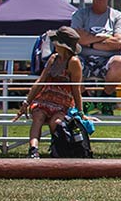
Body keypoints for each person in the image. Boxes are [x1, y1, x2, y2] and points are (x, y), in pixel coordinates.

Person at [19, 26, 88, 159]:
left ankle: (58, 149)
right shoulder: (53, 58)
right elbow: (41, 81)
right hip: (44, 99)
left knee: (55, 122)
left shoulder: (74, 62)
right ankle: (33, 150)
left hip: (63, 102)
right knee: (38, 116)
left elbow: (76, 89)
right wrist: (27, 102)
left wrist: (80, 112)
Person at [71, 0, 121, 116]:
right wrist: (104, 39)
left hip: (108, 61)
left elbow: (119, 42)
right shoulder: (79, 15)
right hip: (83, 59)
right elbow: (75, 38)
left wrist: (89, 42)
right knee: (71, 62)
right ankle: (85, 100)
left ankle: (106, 99)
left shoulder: (118, 16)